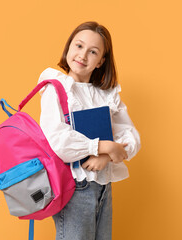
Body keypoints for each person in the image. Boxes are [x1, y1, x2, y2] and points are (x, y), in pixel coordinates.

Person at [37, 21, 141, 240]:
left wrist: (106, 156)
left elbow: (131, 138)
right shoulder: (56, 87)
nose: (82, 55)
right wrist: (104, 146)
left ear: (101, 61)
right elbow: (59, 141)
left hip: (104, 189)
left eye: (93, 52)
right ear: (68, 47)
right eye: (78, 46)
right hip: (75, 189)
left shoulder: (106, 95)